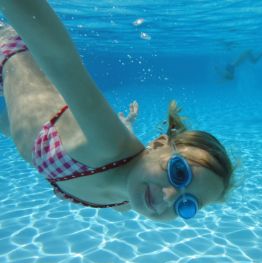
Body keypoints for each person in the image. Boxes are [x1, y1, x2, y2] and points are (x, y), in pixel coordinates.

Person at [0, 1, 234, 221]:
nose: (169, 198)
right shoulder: (107, 144)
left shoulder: (125, 200)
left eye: (187, 205)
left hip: (12, 106)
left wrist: (127, 123)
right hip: (8, 51)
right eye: (180, 173)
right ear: (161, 144)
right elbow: (59, 59)